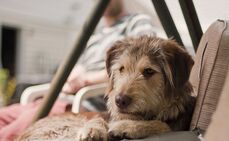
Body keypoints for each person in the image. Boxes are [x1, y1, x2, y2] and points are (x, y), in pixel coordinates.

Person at [0, 0, 158, 140]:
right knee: (3, 116)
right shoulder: (95, 36)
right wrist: (71, 79)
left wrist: (85, 80)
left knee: (15, 129)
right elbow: (79, 67)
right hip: (60, 97)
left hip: (84, 102)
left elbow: (140, 63)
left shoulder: (136, 22)